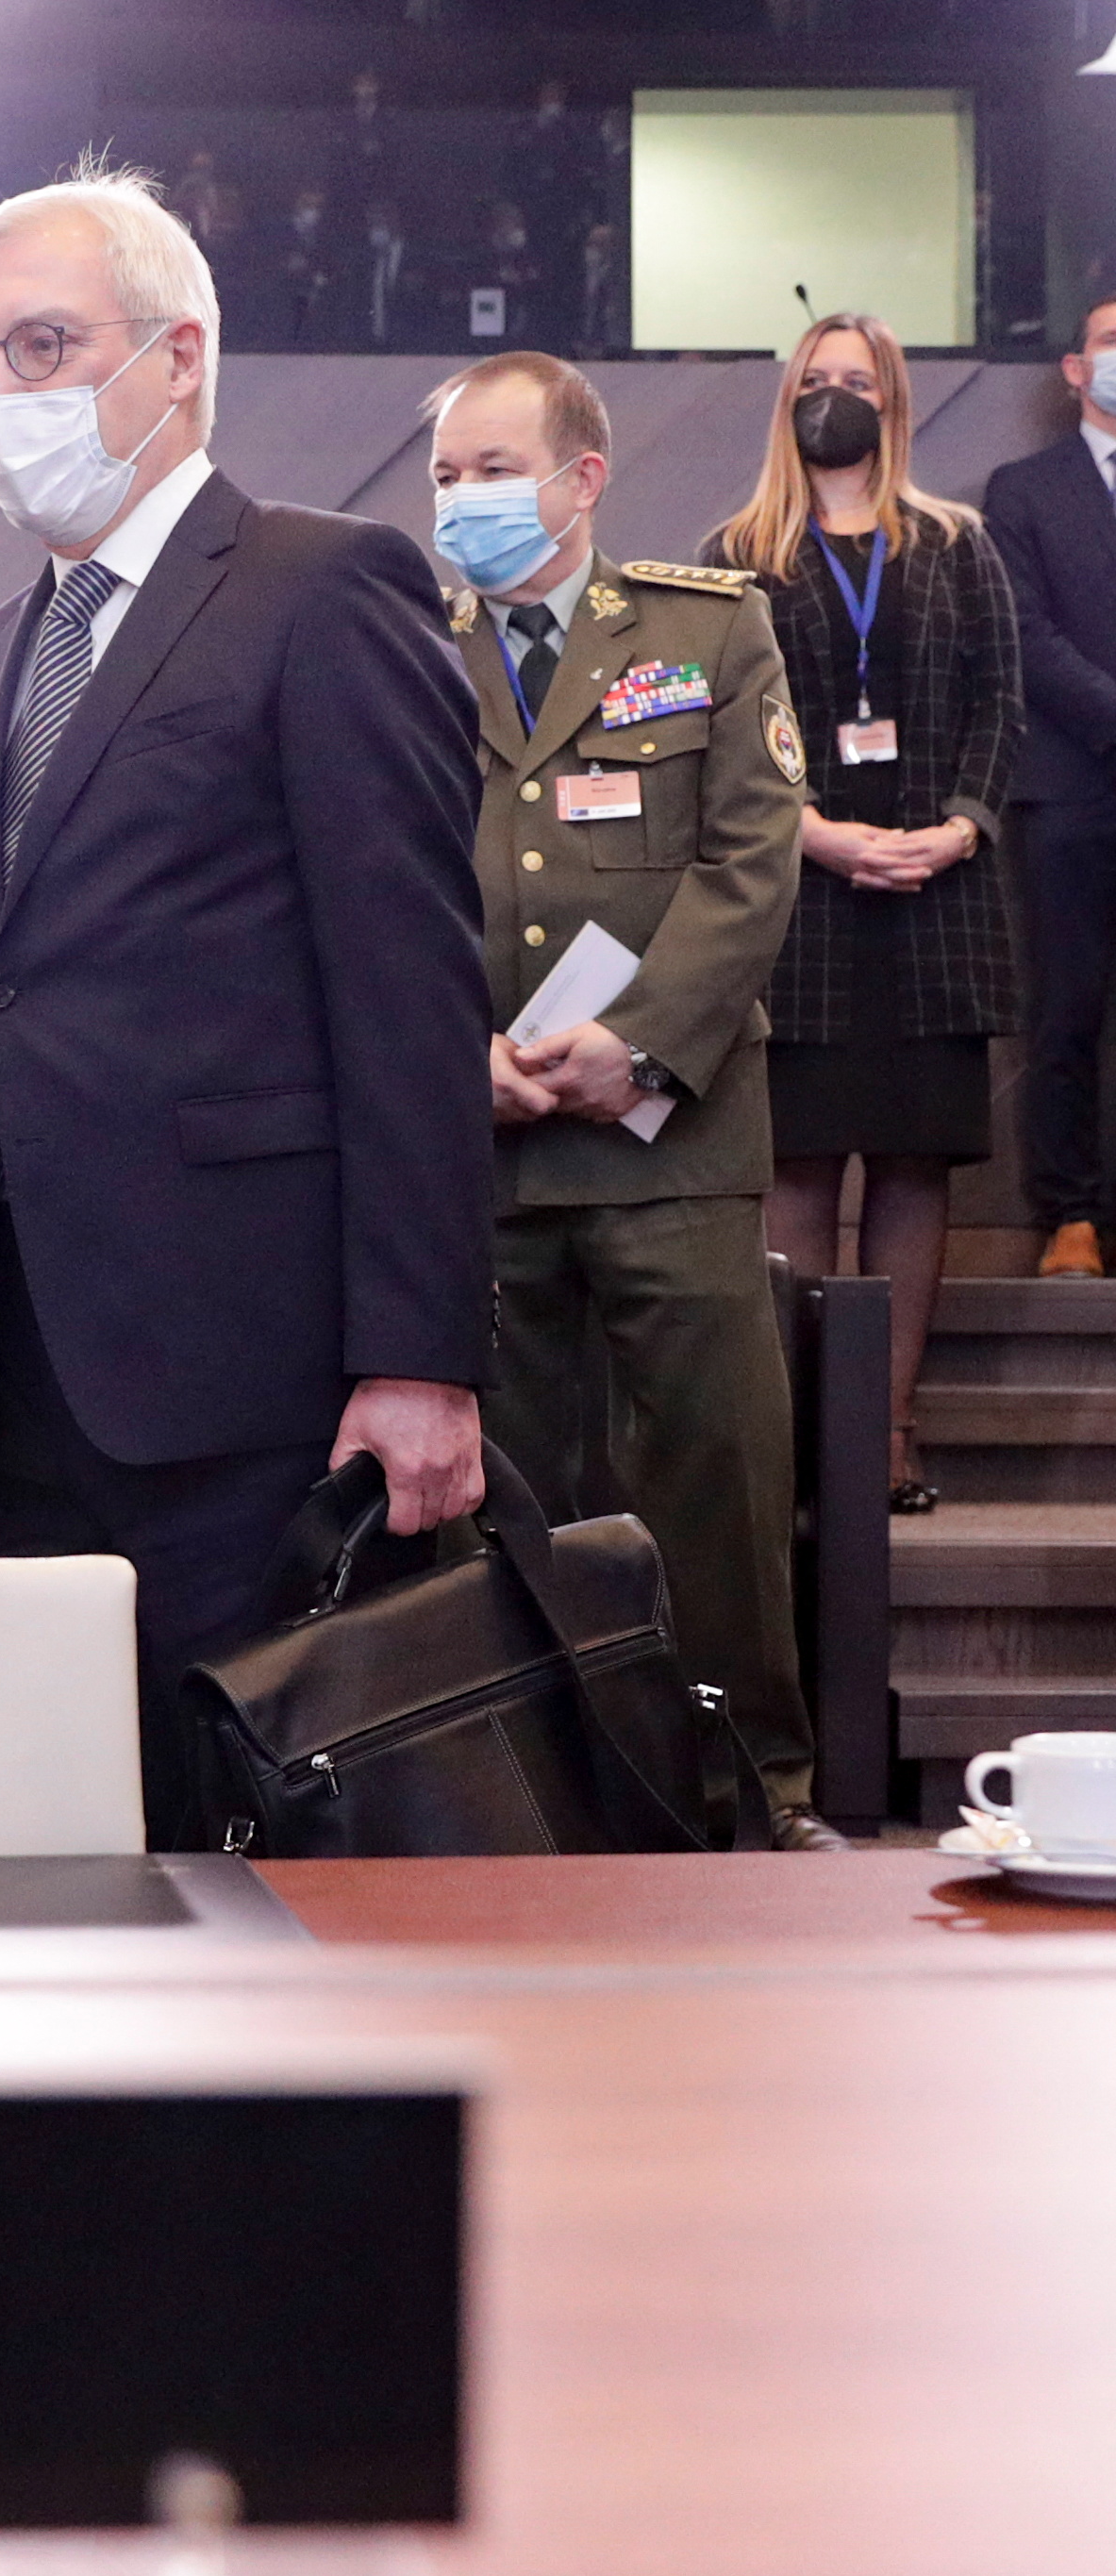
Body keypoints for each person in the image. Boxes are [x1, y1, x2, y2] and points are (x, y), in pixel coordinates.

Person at [0, 162, 493, 1851]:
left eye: (43, 345)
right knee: (53, 1839)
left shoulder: (321, 588)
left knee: (257, 1853)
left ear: (177, 354)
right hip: (7, 1370)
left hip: (243, 1369)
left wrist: (418, 1358)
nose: (1, 391)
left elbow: (411, 1001)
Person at [427, 350, 827, 1848]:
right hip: (482, 1147)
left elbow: (752, 860)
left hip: (673, 1143)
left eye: (493, 470)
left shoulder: (704, 629)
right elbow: (373, 877)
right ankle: (535, 1811)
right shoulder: (405, 646)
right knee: (505, 1500)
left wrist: (642, 1041)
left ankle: (753, 1796)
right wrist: (449, 1054)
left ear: (581, 478)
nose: (463, 499)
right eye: (447, 475)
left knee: (717, 1477)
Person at [703, 312, 1022, 1512]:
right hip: (797, 896)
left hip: (937, 896)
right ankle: (799, 1437)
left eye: (858, 380)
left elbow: (1001, 704)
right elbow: (713, 728)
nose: (834, 396)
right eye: (815, 378)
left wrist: (962, 825)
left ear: (893, 400)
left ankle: (886, 1432)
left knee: (911, 1165)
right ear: (786, 397)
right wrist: (812, 832)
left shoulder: (955, 543)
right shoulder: (734, 551)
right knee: (794, 1165)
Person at [982, 291, 1116, 1281]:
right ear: (1074, 368)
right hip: (1070, 784)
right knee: (1065, 1010)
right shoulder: (1022, 489)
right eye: (1110, 342)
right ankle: (1070, 1214)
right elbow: (1023, 634)